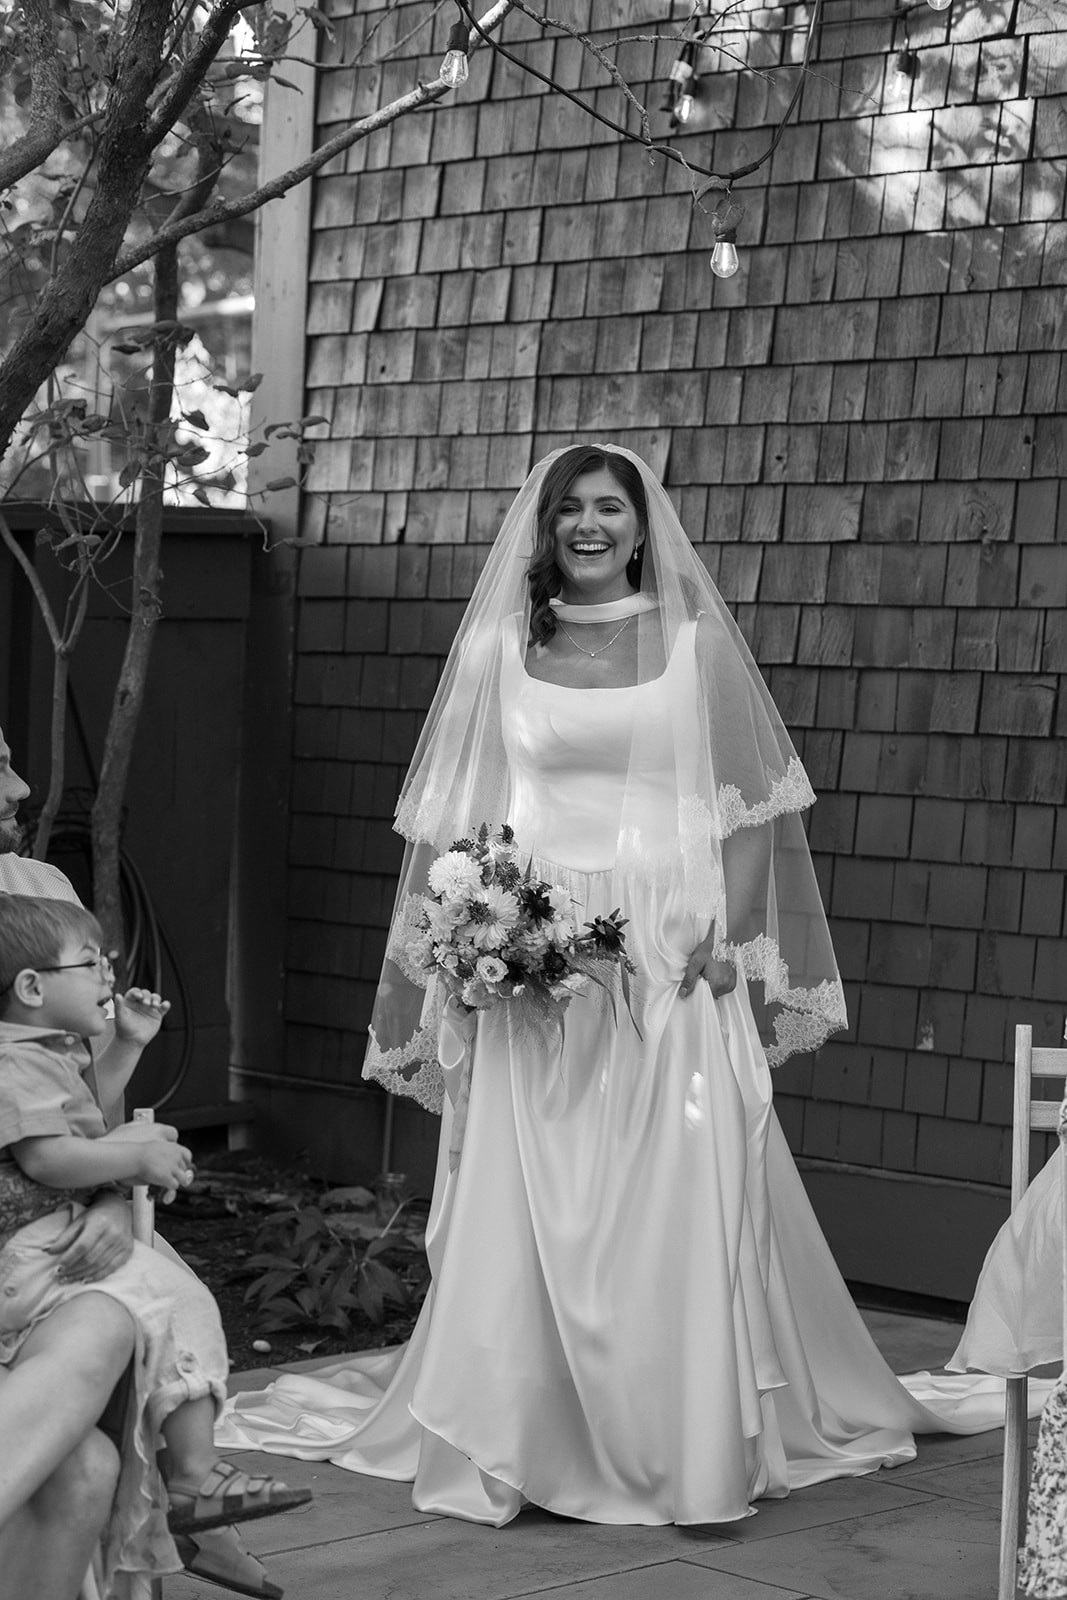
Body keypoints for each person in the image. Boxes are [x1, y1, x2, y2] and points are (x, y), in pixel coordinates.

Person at [220, 444, 1039, 1526]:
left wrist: (727, 940)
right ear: (543, 527)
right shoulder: (499, 649)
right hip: (529, 945)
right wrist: (470, 927)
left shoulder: (691, 646)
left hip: (664, 941)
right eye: (569, 508)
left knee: (665, 1183)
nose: (588, 524)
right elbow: (456, 821)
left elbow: (746, 807)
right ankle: (523, 1428)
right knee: (534, 1183)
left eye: (609, 506)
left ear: (642, 525)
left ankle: (674, 1438)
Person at [0, 892, 313, 1592]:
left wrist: (127, 1046)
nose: (108, 974)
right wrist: (133, 1161)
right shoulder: (14, 1061)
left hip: (46, 1234)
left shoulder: (43, 1050)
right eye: (90, 963)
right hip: (27, 1247)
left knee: (166, 1303)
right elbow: (51, 1159)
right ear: (30, 987)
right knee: (164, 1294)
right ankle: (193, 1475)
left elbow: (83, 1118)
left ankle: (193, 1474)